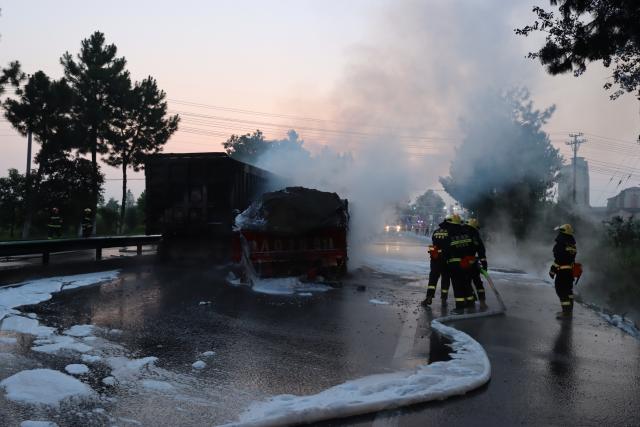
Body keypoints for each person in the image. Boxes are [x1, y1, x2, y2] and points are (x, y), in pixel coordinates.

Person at [441, 213, 477, 312]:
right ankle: (470, 303)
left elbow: (446, 251)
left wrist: (444, 261)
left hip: (455, 265)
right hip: (467, 264)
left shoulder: (449, 234)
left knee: (457, 286)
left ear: (452, 224)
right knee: (466, 284)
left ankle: (459, 307)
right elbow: (472, 248)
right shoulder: (466, 233)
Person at [549, 224, 577, 318]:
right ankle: (569, 310)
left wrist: (552, 270)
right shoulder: (572, 245)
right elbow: (570, 259)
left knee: (561, 290)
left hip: (562, 272)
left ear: (562, 233)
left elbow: (559, 259)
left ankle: (566, 312)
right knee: (568, 290)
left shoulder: (560, 244)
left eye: (560, 232)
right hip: (570, 272)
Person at [422, 218, 452, 306]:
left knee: (433, 279)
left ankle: (429, 297)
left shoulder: (436, 231)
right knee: (445, 278)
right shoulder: (451, 232)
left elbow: (434, 244)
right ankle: (444, 298)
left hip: (435, 259)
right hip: (446, 260)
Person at [465, 218, 488, 305]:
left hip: (463, 262)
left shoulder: (462, 234)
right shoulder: (476, 236)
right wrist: (484, 265)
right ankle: (482, 301)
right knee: (477, 281)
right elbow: (481, 252)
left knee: (466, 281)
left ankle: (471, 298)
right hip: (473, 262)